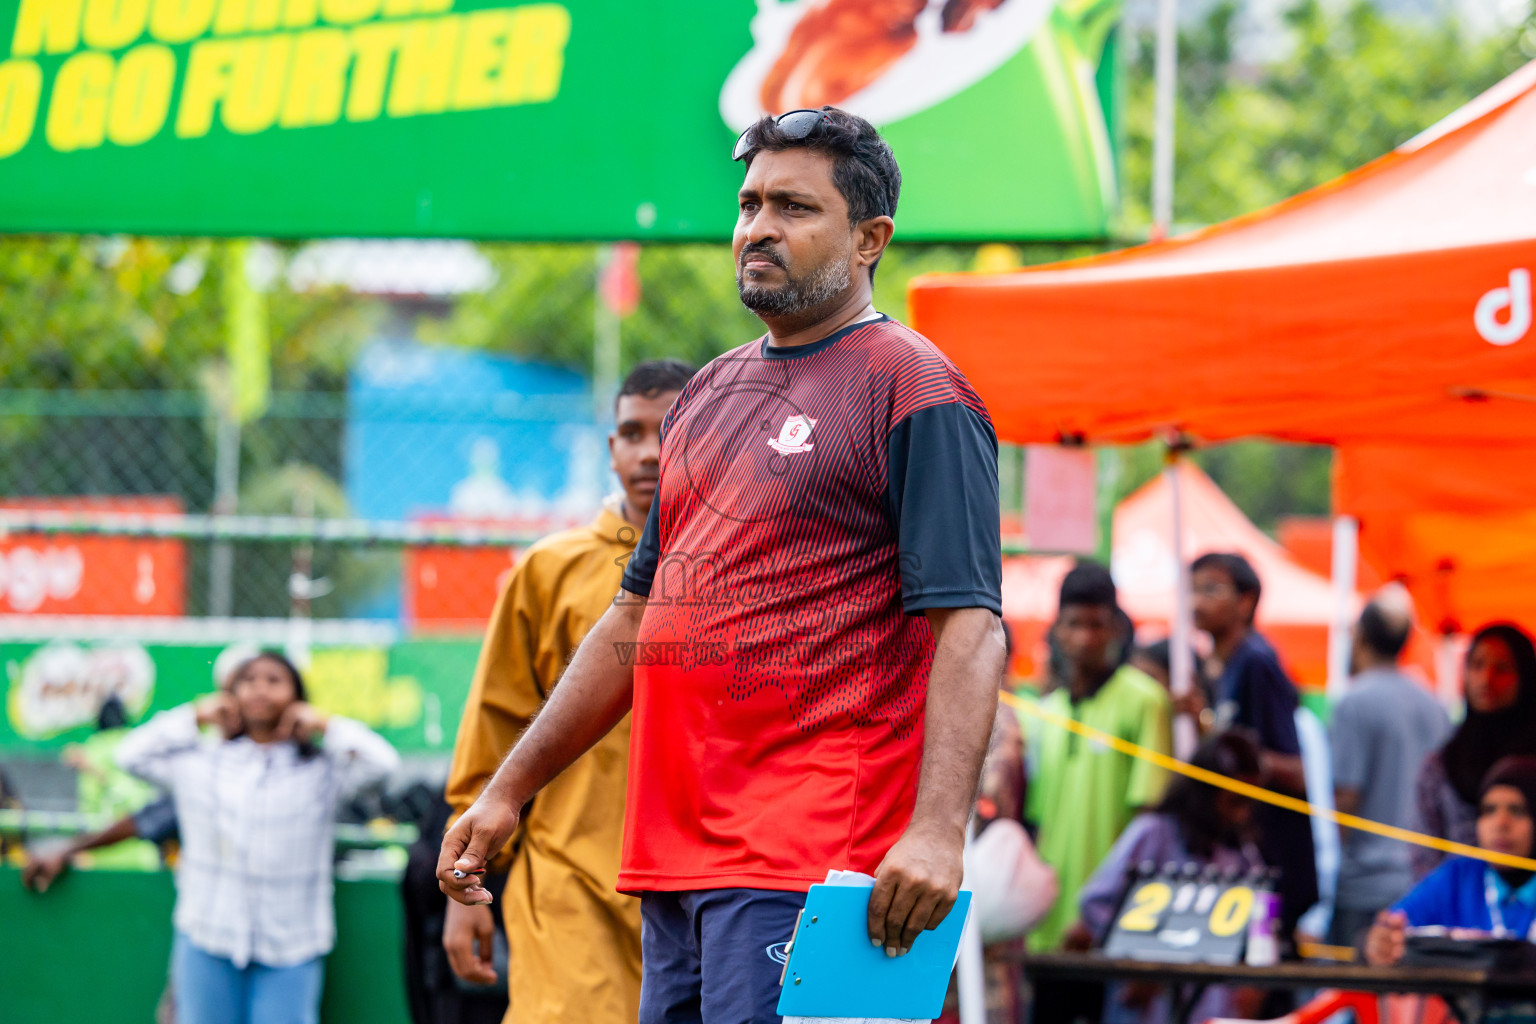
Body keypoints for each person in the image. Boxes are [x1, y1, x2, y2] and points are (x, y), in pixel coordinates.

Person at [439, 106, 1006, 1024]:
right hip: (673, 860)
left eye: (793, 207)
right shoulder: (707, 392)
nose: (757, 229)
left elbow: (972, 627)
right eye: (749, 205)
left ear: (870, 238)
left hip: (813, 856)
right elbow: (635, 619)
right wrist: (509, 789)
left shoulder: (914, 386)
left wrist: (940, 832)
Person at [441, 359, 694, 1024]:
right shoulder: (549, 570)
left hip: (704, 884)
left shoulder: (752, 563)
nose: (649, 452)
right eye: (632, 433)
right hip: (569, 883)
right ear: (611, 450)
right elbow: (493, 728)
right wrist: (462, 890)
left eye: (669, 431)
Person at [117, 650, 400, 1024]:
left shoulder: (322, 769)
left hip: (293, 944)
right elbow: (129, 755)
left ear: (297, 697)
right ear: (230, 695)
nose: (260, 690)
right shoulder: (198, 761)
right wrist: (195, 715)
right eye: (249, 681)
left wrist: (324, 723)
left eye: (274, 680)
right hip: (207, 936)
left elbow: (384, 763)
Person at [1067, 730, 1267, 1024]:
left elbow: (1261, 922)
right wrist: (1138, 960)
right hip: (1148, 1008)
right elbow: (1094, 902)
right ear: (1207, 792)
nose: (1242, 815)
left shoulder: (1243, 855)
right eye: (1234, 801)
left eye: (1249, 803)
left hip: (1211, 1009)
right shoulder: (1154, 833)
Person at [1024, 563, 1173, 955]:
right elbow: (1037, 824)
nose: (1084, 637)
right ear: (1057, 629)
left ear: (1116, 629)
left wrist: (1100, 911)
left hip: (1109, 928)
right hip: (1044, 926)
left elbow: (1149, 826)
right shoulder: (1046, 712)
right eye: (1074, 624)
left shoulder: (1146, 701)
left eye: (1096, 624)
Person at [1188, 551, 1318, 946]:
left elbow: (1297, 771)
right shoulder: (1220, 668)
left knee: (1263, 972)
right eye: (1192, 590)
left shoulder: (1257, 663)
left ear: (1246, 602)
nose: (1197, 601)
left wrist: (1214, 731)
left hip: (1275, 858)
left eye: (1211, 589)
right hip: (1244, 858)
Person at [1328, 586, 1450, 946]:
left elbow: (1346, 796)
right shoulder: (1434, 704)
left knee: (1356, 994)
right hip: (1423, 880)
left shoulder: (1355, 701)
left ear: (1359, 635)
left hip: (1366, 883)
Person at [1367, 757, 1536, 969]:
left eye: (1517, 810)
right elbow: (1392, 926)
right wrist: (1380, 942)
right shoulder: (1458, 877)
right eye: (1489, 810)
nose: (1500, 823)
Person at [1415, 623, 1536, 879]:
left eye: (1502, 668)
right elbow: (1424, 857)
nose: (1486, 679)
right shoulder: (1443, 763)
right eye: (1477, 665)